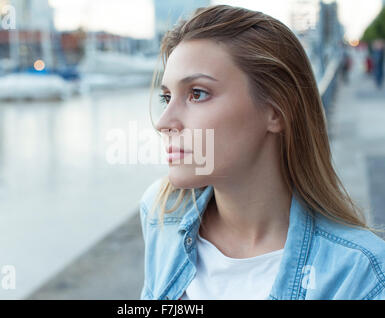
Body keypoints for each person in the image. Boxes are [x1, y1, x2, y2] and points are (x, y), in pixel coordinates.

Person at [139, 5, 385, 300]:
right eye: (166, 97)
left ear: (276, 111)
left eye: (197, 93)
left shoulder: (359, 276)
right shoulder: (160, 214)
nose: (164, 122)